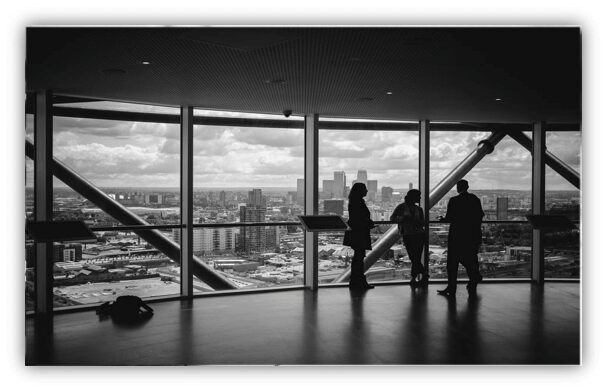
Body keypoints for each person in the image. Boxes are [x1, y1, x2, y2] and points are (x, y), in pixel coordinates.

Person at [437, 179, 485, 297]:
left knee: (452, 263)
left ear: (458, 188)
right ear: (467, 187)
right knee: (471, 260)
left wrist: (442, 219)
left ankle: (452, 287)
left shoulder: (454, 200)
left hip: (457, 236)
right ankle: (473, 281)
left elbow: (450, 218)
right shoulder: (475, 199)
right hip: (472, 235)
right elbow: (480, 215)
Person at [390, 189, 427, 286]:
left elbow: (423, 222)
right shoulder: (402, 207)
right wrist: (403, 219)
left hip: (417, 235)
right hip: (410, 234)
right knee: (414, 257)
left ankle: (414, 278)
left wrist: (409, 220)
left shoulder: (418, 209)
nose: (419, 198)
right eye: (418, 196)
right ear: (413, 197)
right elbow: (392, 218)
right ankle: (423, 274)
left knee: (415, 257)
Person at [343, 183, 375, 290]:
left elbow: (356, 217)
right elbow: (360, 217)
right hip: (360, 232)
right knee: (359, 258)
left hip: (355, 232)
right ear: (360, 191)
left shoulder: (353, 201)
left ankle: (356, 281)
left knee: (358, 257)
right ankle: (359, 281)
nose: (366, 191)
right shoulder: (358, 202)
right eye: (365, 189)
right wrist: (368, 223)